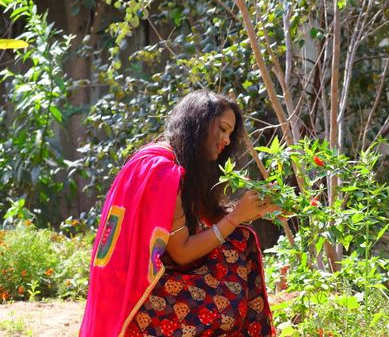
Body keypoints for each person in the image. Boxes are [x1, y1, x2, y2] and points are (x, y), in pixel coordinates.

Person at [80, 90, 279, 337]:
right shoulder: (163, 171)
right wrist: (236, 216)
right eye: (223, 129)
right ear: (200, 124)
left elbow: (214, 218)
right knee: (226, 305)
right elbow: (182, 253)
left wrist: (256, 208)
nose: (227, 140)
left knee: (241, 239)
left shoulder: (178, 162)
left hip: (149, 282)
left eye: (230, 134)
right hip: (139, 297)